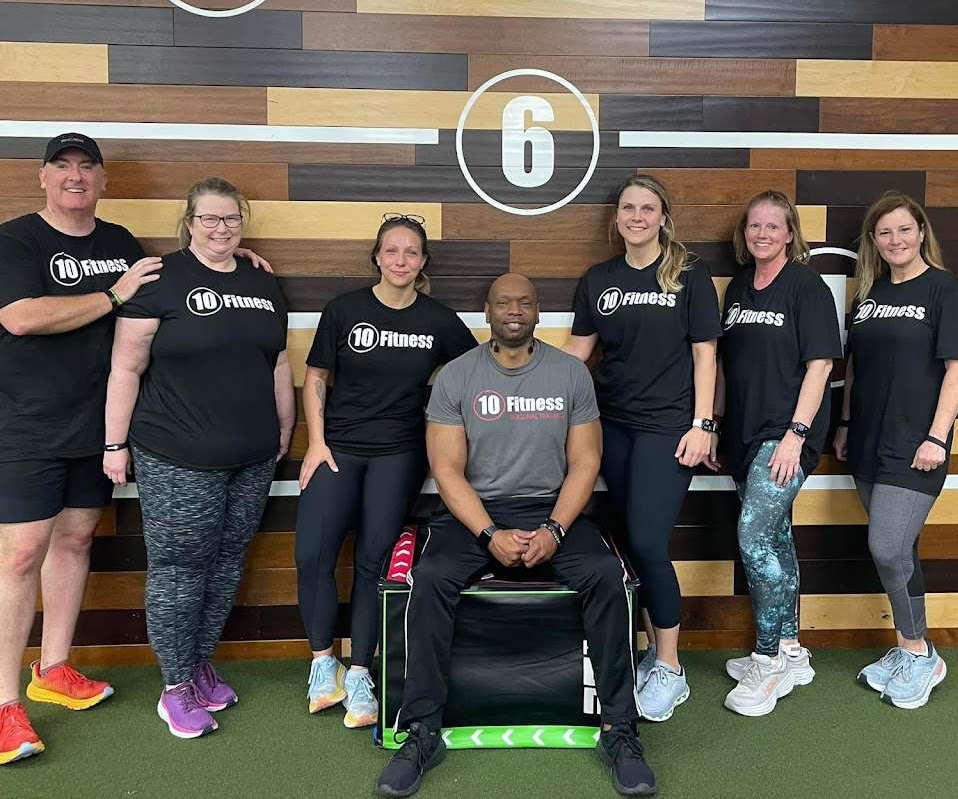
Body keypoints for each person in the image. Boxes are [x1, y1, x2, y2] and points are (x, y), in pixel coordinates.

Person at [375, 274, 656, 799]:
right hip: (476, 513)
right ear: (487, 311)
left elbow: (586, 461)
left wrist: (554, 528)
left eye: (525, 302)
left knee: (604, 575)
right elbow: (446, 469)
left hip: (553, 509)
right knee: (430, 577)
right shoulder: (457, 376)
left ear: (537, 312)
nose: (514, 310)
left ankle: (619, 729)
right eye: (503, 302)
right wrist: (488, 534)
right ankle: (421, 731)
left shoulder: (570, 373)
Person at [103, 177, 295, 740]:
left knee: (228, 561)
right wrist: (114, 443)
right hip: (177, 454)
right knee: (180, 568)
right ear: (189, 222)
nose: (221, 228)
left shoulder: (261, 280)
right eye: (209, 218)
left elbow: (278, 361)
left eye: (231, 218)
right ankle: (175, 686)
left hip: (252, 455)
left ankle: (199, 663)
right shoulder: (160, 279)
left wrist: (285, 425)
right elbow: (126, 367)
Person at [0, 133, 163, 766]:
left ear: (102, 180)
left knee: (75, 540)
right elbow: (20, 317)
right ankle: (5, 705)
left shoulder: (119, 243)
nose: (76, 176)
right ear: (43, 177)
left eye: (87, 167)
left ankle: (54, 669)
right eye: (63, 166)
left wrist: (233, 257)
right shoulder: (16, 240)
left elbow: (166, 287)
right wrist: (113, 296)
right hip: (26, 427)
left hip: (95, 427)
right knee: (20, 556)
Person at [296, 213, 477, 726]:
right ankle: (323, 663)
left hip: (399, 453)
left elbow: (476, 371)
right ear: (376, 257)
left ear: (423, 262)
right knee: (312, 554)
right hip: (337, 448)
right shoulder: (345, 309)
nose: (401, 260)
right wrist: (316, 443)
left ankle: (360, 672)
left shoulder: (438, 319)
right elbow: (316, 376)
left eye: (411, 252)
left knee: (374, 561)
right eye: (392, 250)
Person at [563, 174, 720, 722]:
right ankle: (654, 650)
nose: (637, 217)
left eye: (647, 208)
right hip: (612, 426)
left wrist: (703, 424)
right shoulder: (599, 279)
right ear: (617, 217)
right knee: (630, 541)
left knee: (650, 542)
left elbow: (705, 354)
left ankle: (671, 668)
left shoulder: (690, 274)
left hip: (669, 428)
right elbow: (577, 351)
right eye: (628, 208)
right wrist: (518, 374)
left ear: (663, 217)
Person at [834, 191, 958, 710]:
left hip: (916, 445)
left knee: (888, 547)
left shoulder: (946, 290)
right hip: (867, 438)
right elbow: (854, 368)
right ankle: (907, 646)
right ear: (874, 241)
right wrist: (845, 423)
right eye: (884, 232)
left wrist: (937, 437)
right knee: (901, 550)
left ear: (921, 233)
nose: (895, 240)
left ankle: (920, 654)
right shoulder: (869, 295)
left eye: (904, 229)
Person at [712, 190, 842, 716]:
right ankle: (790, 648)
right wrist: (715, 424)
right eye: (754, 225)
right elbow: (726, 364)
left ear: (790, 233)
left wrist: (795, 435)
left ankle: (767, 663)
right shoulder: (739, 287)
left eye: (773, 225)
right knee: (777, 538)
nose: (762, 234)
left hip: (786, 436)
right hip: (743, 434)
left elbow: (821, 366)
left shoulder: (806, 286)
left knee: (754, 536)